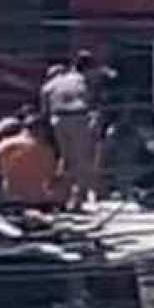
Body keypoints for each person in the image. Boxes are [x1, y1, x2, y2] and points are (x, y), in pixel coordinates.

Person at [40, 51, 98, 208]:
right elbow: (91, 100)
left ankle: (60, 196)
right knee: (82, 160)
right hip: (78, 118)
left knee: (66, 159)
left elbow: (44, 106)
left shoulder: (53, 82)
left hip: (57, 119)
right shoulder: (82, 79)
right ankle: (77, 199)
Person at [0, 117, 61, 209]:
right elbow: (50, 175)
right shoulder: (45, 149)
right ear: (40, 130)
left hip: (9, 197)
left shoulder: (5, 144)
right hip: (37, 200)